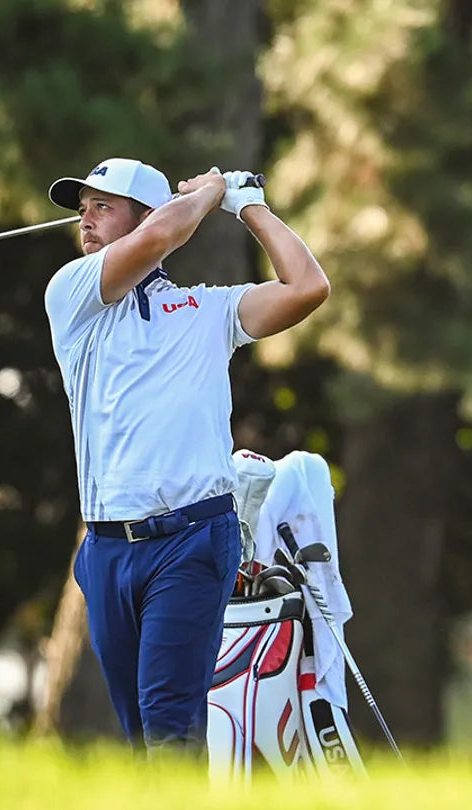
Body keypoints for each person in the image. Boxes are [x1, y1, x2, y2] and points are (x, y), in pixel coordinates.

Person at [43, 158, 330, 755]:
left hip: (192, 539)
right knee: (139, 733)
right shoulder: (72, 293)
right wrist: (215, 190)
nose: (86, 222)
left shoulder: (209, 311)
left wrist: (248, 205)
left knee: (170, 724)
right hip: (105, 550)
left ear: (144, 212)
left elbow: (307, 287)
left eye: (103, 207)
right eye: (82, 210)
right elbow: (160, 238)